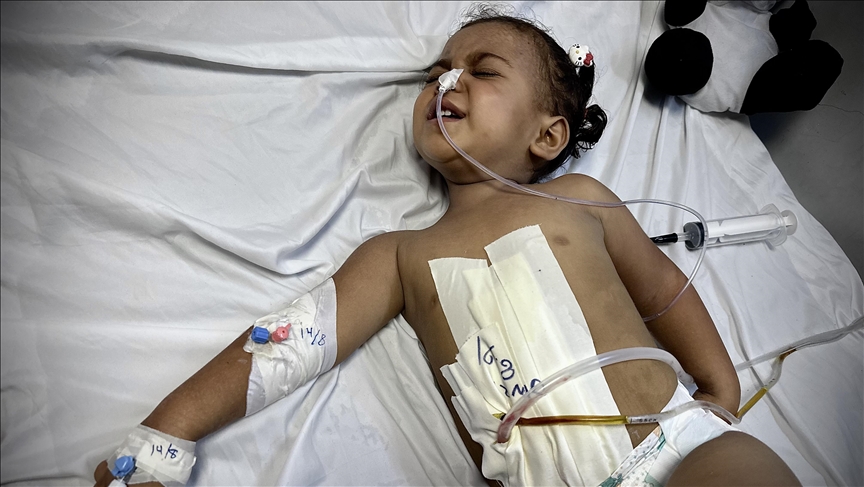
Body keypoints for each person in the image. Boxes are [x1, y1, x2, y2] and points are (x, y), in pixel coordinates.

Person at [95, 6, 801, 487]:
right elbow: (288, 344)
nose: (448, 80)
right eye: (435, 73)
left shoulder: (580, 200)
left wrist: (718, 385)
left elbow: (664, 288)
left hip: (680, 447)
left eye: (483, 70)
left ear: (549, 134)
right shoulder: (400, 257)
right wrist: (163, 437)